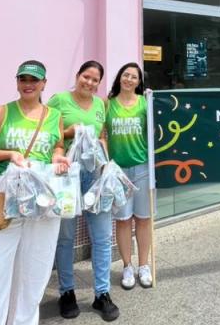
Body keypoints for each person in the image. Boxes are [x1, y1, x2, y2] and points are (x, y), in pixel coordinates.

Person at [0, 60, 69, 325]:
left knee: (36, 268)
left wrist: (59, 158)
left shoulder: (54, 116)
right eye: (23, 79)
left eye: (34, 80)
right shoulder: (2, 112)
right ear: (17, 82)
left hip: (43, 195)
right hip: (5, 192)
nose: (28, 84)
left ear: (44, 84)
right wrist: (10, 154)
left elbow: (57, 146)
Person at [50, 60, 119, 321]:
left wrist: (106, 162)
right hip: (67, 174)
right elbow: (52, 136)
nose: (89, 83)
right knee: (65, 237)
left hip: (95, 174)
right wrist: (71, 131)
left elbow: (102, 136)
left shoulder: (101, 104)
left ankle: (102, 294)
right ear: (77, 75)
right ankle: (67, 292)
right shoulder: (59, 101)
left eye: (94, 80)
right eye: (85, 77)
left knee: (102, 236)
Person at [106, 63, 154, 290]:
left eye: (134, 77)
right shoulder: (108, 104)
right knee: (123, 220)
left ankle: (144, 265)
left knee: (143, 219)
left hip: (143, 168)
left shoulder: (146, 103)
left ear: (139, 81)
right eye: (125, 75)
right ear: (119, 78)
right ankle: (127, 266)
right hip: (118, 171)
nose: (129, 79)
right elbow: (100, 134)